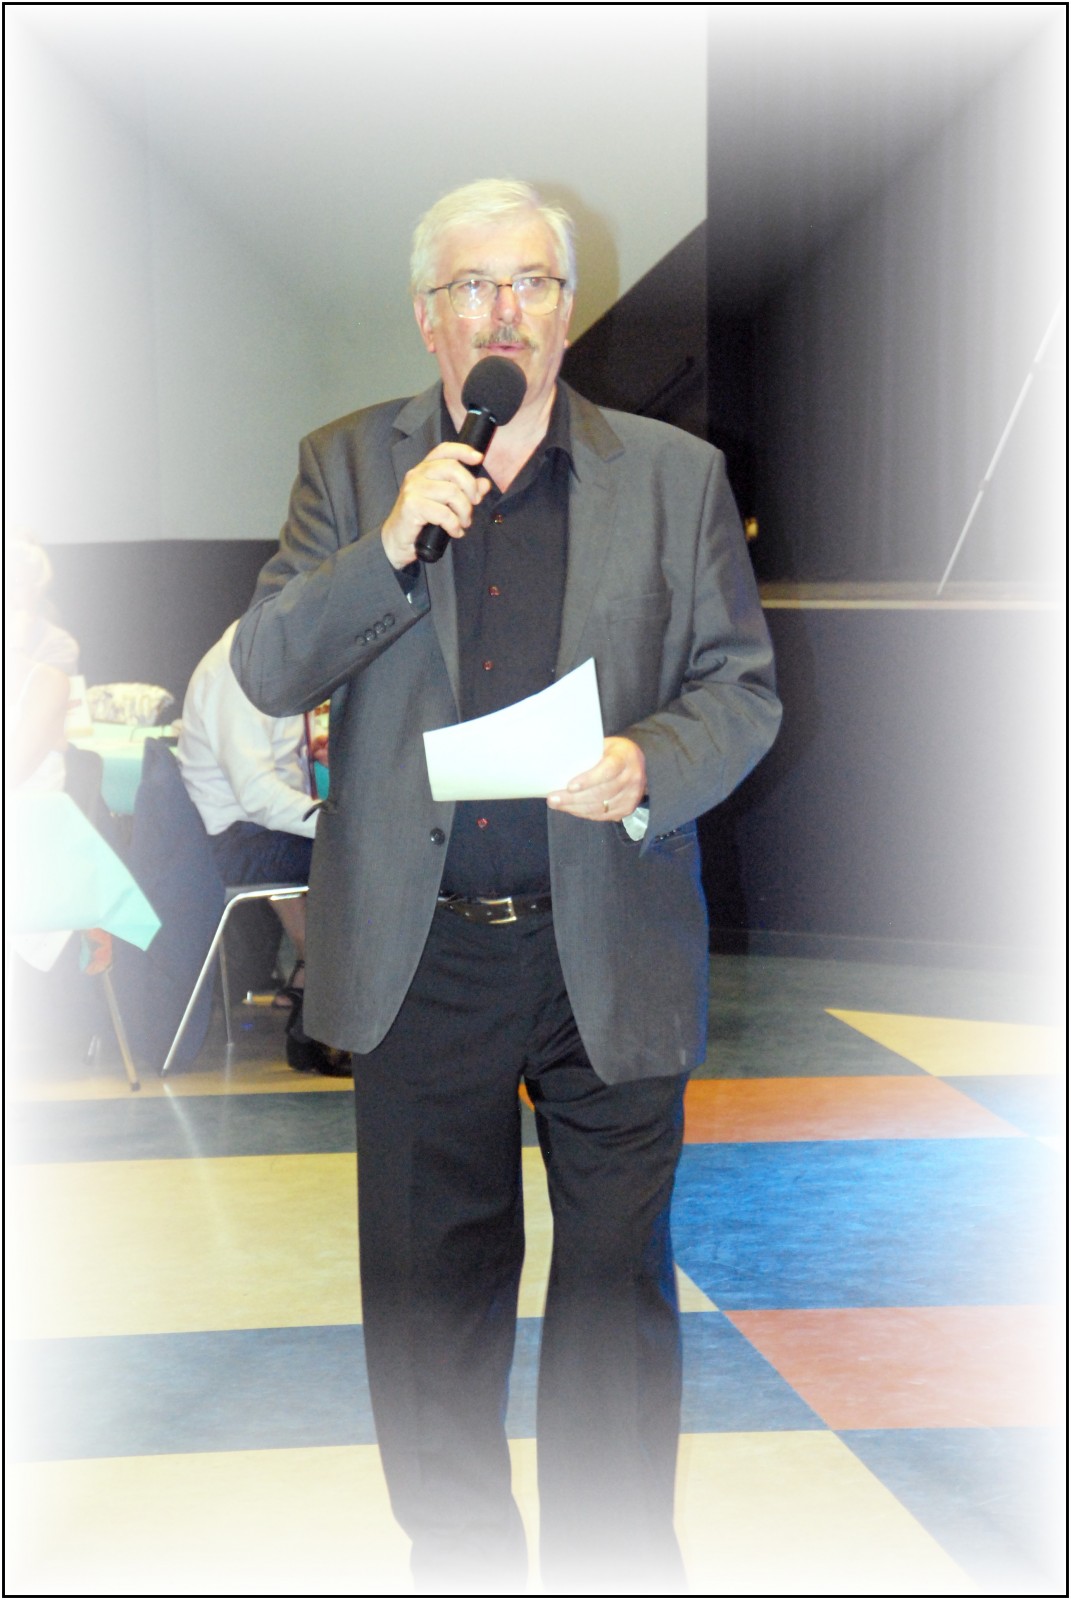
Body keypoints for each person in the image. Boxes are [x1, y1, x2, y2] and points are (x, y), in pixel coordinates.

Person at [232, 179, 781, 1594]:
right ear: (427, 317)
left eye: (532, 283)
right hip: (420, 957)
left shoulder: (673, 476)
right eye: (473, 287)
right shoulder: (347, 465)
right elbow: (269, 667)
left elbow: (740, 692)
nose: (504, 313)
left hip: (609, 932)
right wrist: (386, 546)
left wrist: (646, 762)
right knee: (431, 1299)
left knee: (612, 1287)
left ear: (564, 310)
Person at [177, 621, 346, 1076]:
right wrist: (340, 823)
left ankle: (316, 989)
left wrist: (313, 755)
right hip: (235, 841)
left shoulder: (271, 659)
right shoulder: (238, 674)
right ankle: (322, 1022)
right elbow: (258, 797)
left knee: (357, 848)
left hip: (254, 830)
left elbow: (277, 781)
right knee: (361, 857)